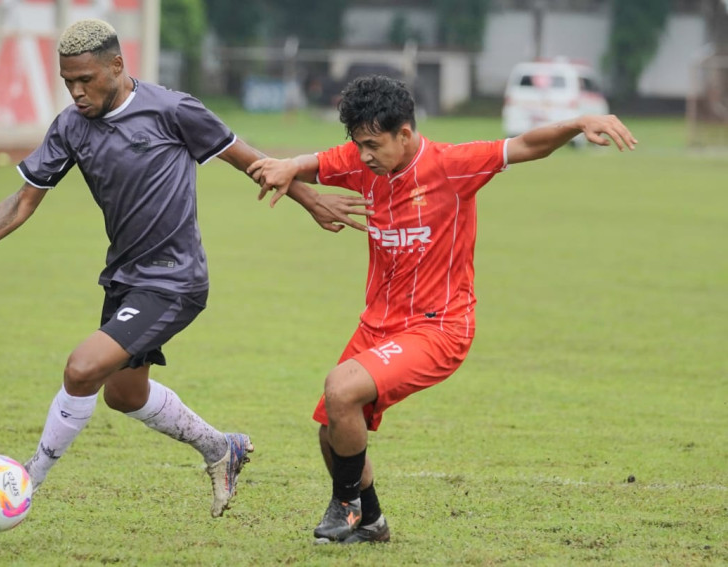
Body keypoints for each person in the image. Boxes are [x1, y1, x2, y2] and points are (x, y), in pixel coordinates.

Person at [0, 19, 368, 519]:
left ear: (117, 65)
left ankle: (26, 482)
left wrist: (310, 201)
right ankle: (221, 448)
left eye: (86, 79)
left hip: (175, 280)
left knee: (82, 369)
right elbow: (25, 198)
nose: (76, 91)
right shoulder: (71, 125)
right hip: (124, 279)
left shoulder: (173, 110)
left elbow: (254, 162)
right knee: (123, 394)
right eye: (67, 81)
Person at [247, 75, 637, 543]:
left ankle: (346, 505)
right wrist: (286, 169)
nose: (364, 155)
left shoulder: (453, 166)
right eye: (357, 144)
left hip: (438, 328)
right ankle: (370, 522)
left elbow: (528, 145)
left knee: (340, 390)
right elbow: (309, 164)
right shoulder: (360, 163)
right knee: (332, 429)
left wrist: (578, 123)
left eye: (373, 144)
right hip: (378, 324)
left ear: (405, 133)